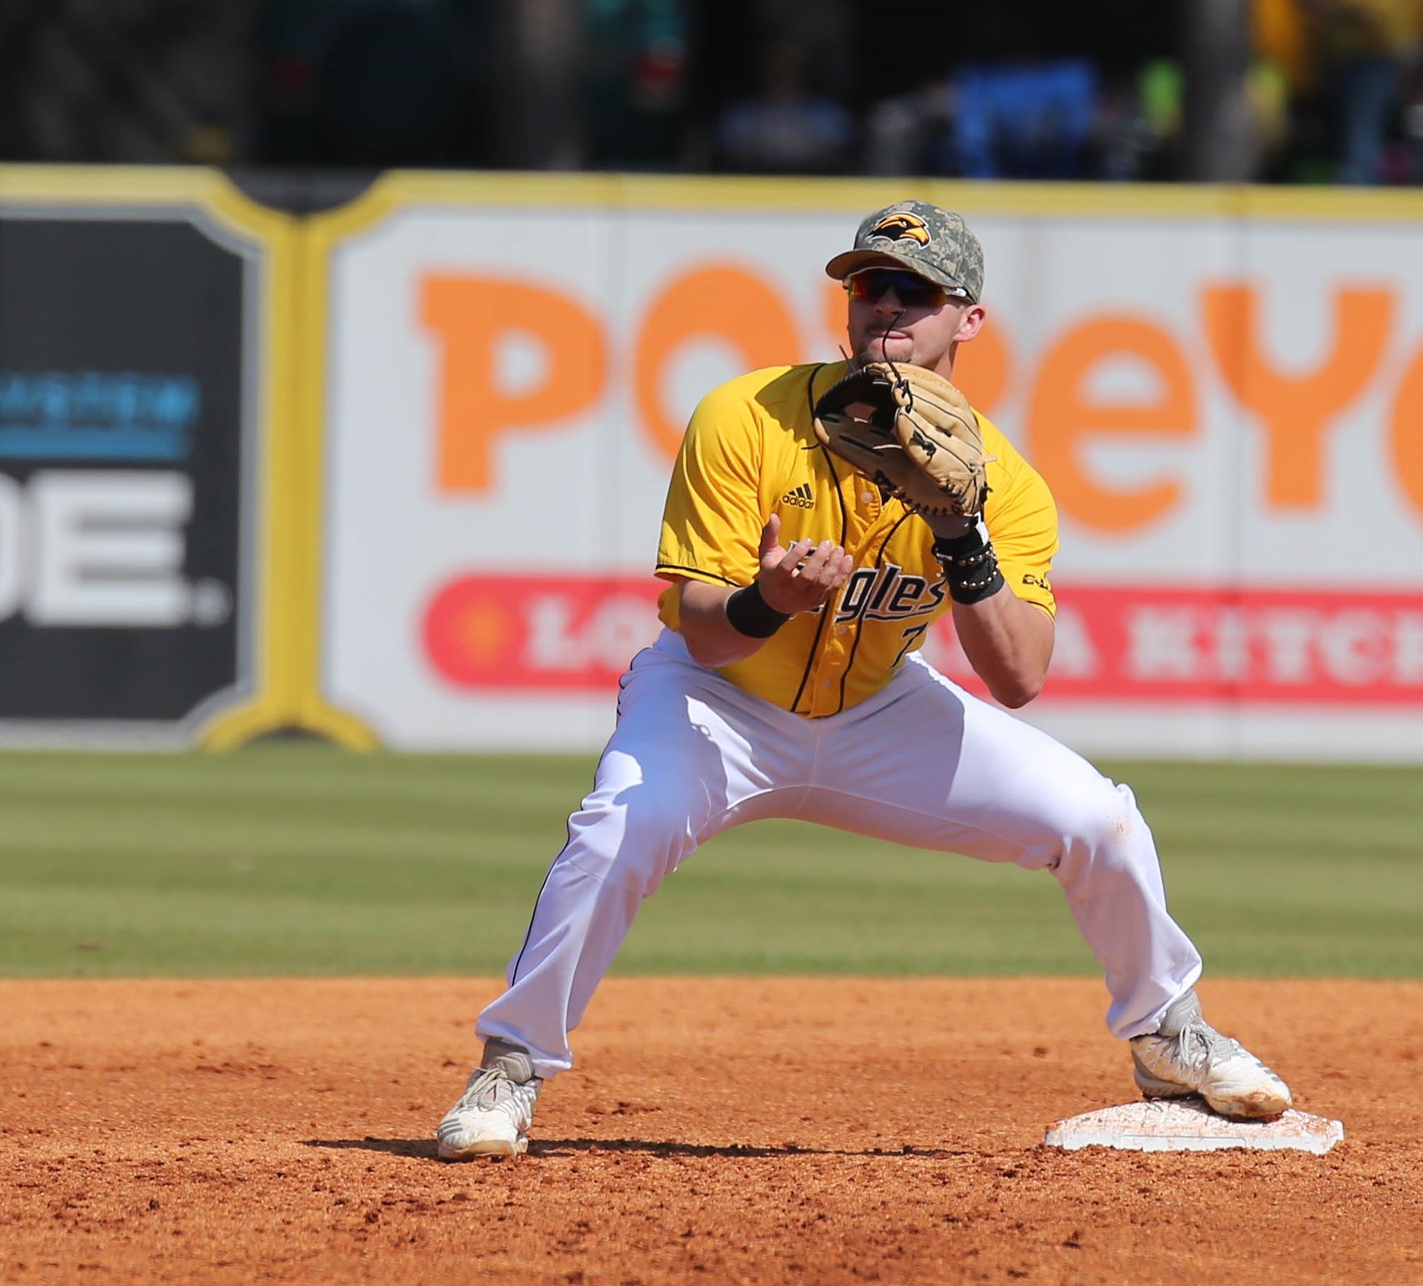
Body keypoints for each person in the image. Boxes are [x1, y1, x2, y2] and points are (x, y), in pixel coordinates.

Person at [435, 199, 1294, 1160]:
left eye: (912, 291)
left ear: (968, 318)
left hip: (880, 708)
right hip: (715, 703)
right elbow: (704, 634)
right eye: (867, 284)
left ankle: (1169, 1033)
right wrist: (766, 600)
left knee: (1097, 820)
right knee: (616, 830)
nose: (883, 304)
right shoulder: (747, 417)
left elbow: (1018, 677)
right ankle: (510, 1068)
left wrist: (962, 534)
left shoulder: (1002, 483)